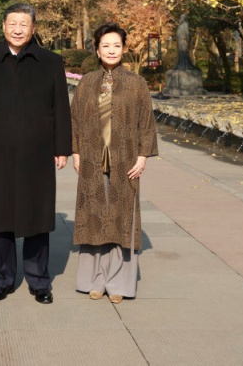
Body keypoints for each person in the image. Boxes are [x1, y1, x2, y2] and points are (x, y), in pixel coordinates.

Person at [0, 3, 72, 304]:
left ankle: (39, 280)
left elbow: (61, 108)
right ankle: (2, 279)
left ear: (33, 28)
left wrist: (62, 147)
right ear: (3, 26)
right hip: (1, 151)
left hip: (39, 151)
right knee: (2, 218)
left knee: (38, 215)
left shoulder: (51, 62)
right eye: (12, 23)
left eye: (24, 24)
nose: (17, 29)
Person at [70, 22, 158, 303]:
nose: (111, 50)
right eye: (106, 45)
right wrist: (76, 152)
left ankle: (118, 282)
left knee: (121, 217)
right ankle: (95, 280)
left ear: (123, 49)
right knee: (94, 216)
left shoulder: (136, 83)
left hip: (125, 158)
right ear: (97, 49)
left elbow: (146, 121)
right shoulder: (87, 83)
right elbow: (75, 120)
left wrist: (143, 155)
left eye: (116, 46)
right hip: (93, 158)